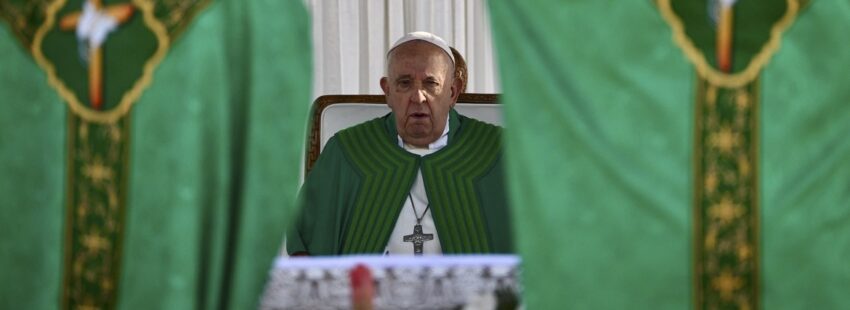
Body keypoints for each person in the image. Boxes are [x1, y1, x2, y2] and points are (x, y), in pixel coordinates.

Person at [287, 31, 512, 256]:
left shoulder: (495, 151)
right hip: (371, 290)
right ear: (387, 91)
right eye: (404, 83)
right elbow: (304, 245)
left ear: (452, 91)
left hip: (469, 292)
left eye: (431, 83)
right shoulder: (349, 151)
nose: (418, 97)